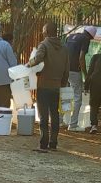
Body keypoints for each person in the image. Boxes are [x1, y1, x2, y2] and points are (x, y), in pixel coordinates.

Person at [27, 23, 70, 152]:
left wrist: (29, 64)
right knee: (55, 114)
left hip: (44, 84)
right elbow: (67, 68)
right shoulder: (64, 48)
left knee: (44, 115)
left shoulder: (44, 45)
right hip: (57, 85)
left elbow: (38, 58)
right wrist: (63, 83)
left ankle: (43, 142)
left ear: (45, 32)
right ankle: (53, 142)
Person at [65, 26, 97, 131]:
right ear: (91, 36)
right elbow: (81, 57)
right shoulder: (85, 39)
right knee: (78, 97)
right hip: (74, 70)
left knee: (65, 94)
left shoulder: (71, 36)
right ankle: (73, 124)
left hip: (64, 69)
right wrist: (85, 74)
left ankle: (61, 120)